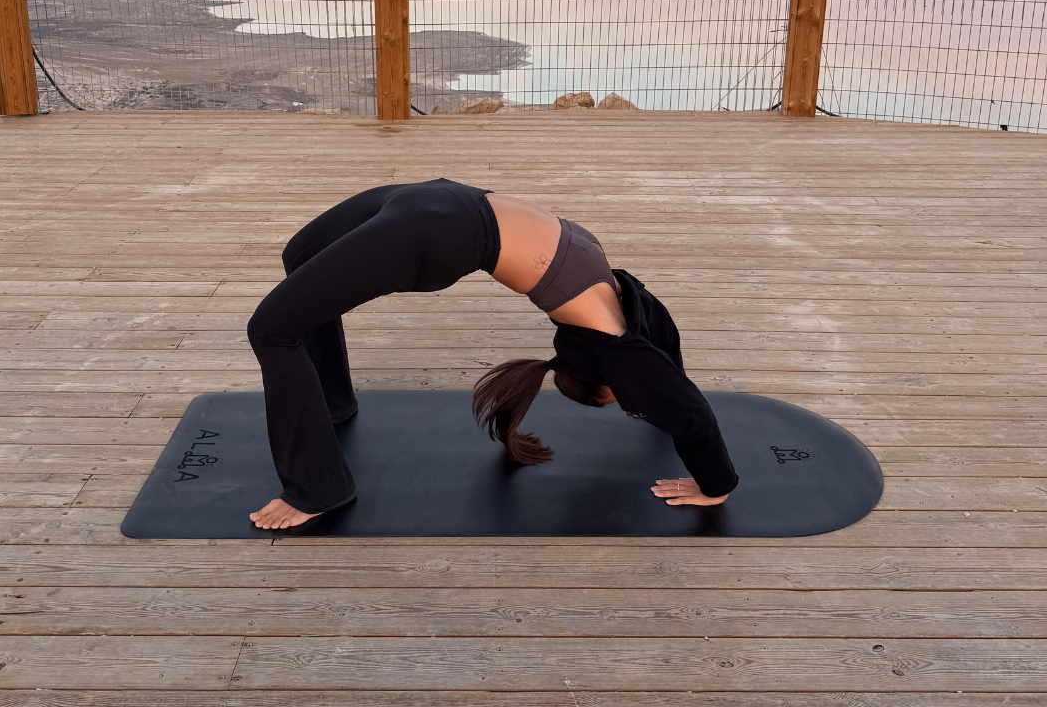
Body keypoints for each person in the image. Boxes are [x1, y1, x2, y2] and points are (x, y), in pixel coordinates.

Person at [247, 178, 739, 530]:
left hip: (444, 202)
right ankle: (325, 449)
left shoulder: (618, 295)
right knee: (292, 279)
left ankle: (318, 481)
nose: (635, 398)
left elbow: (662, 349)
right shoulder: (616, 345)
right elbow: (688, 408)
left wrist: (654, 392)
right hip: (439, 218)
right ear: (602, 377)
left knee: (274, 324)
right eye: (627, 400)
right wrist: (716, 484)